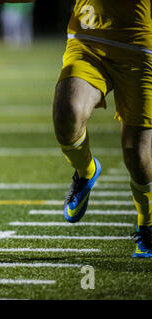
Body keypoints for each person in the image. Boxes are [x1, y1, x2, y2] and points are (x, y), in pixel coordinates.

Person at [52, 0, 152, 258]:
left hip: (140, 46)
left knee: (137, 156)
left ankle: (147, 222)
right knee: (66, 113)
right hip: (87, 38)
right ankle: (86, 171)